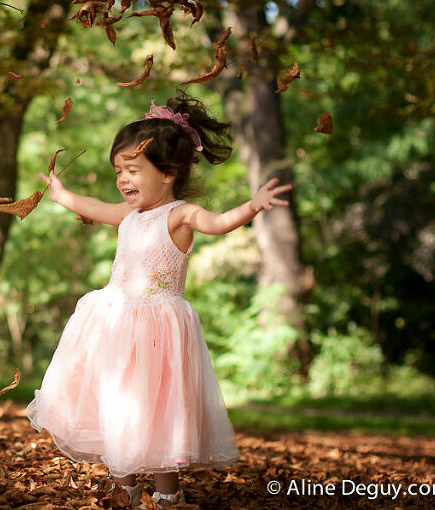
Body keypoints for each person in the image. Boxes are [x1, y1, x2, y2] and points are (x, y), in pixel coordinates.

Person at [25, 91, 292, 508]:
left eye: (132, 170)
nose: (123, 180)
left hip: (157, 334)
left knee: (159, 412)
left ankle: (167, 495)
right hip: (114, 323)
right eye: (119, 171)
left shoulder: (180, 215)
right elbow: (95, 207)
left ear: (168, 173)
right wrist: (62, 196)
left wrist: (252, 207)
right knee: (117, 405)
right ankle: (125, 486)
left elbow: (219, 222)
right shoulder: (130, 216)